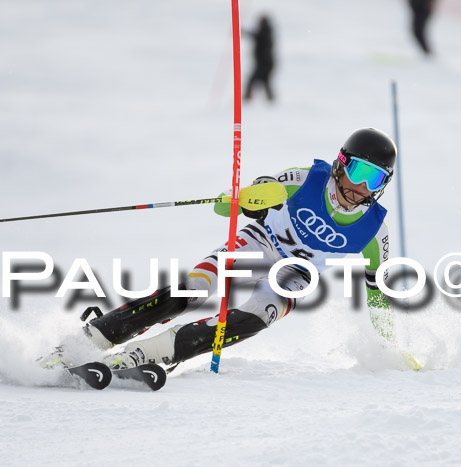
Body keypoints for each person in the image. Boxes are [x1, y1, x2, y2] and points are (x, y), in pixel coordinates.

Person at [44, 128, 398, 370]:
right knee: (192, 290)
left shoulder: (374, 232)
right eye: (360, 172)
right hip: (258, 243)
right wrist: (244, 203)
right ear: (341, 163)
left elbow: (378, 296)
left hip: (294, 276)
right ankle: (91, 340)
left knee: (256, 316)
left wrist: (388, 348)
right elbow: (249, 196)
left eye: (376, 179)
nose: (362, 187)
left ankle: (147, 354)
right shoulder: (308, 179)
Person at [243, 15, 275, 102]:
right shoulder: (266, 32)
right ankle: (271, 99)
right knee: (265, 82)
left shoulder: (265, 32)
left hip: (264, 63)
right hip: (266, 63)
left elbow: (256, 35)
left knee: (252, 80)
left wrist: (243, 32)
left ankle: (247, 98)